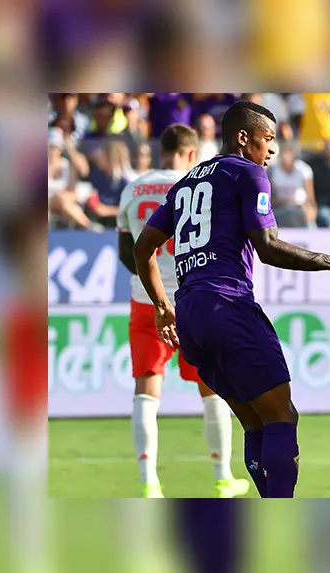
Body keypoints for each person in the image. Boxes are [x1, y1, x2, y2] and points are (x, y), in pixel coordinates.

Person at [132, 101, 330, 498]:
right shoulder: (248, 173)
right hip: (228, 306)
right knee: (281, 416)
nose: (272, 149)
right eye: (268, 139)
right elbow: (268, 247)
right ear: (244, 137)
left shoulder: (186, 182)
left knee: (255, 423)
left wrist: (161, 306)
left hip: (190, 316)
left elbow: (143, 248)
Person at [116, 124, 250, 499]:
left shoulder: (134, 188)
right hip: (196, 299)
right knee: (212, 389)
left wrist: (156, 290)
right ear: (192, 154)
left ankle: (148, 481)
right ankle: (223, 478)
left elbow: (127, 251)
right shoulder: (199, 184)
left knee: (146, 389)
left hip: (146, 301)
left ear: (162, 151)